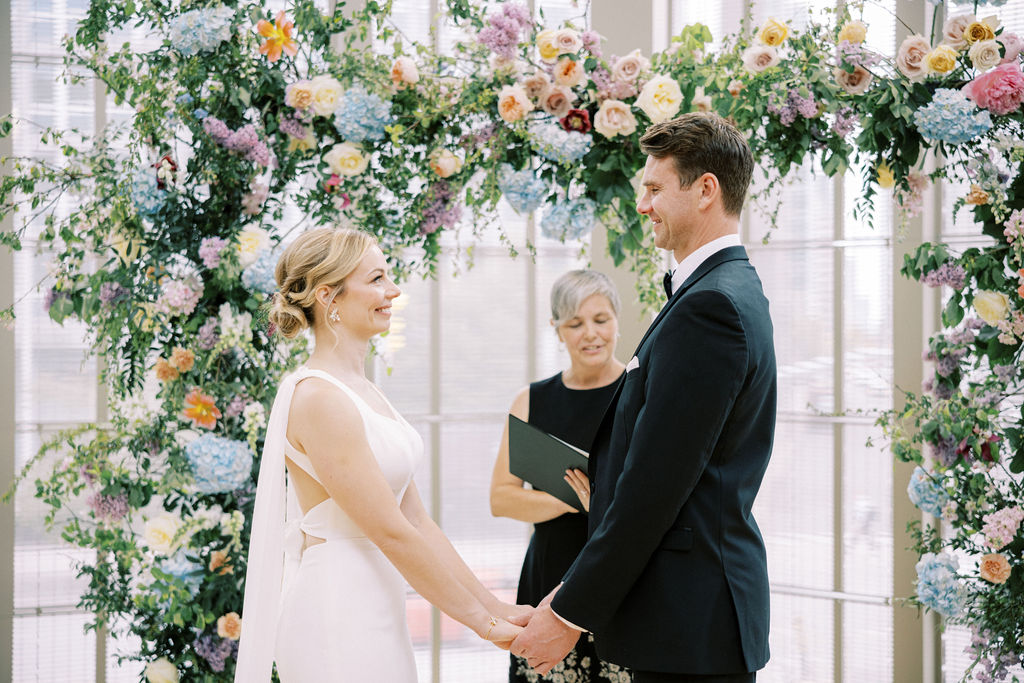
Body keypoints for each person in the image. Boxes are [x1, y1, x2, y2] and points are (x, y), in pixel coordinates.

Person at [510, 112, 776, 683]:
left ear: (706, 190)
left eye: (655, 189)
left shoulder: (711, 309)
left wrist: (566, 613)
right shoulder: (723, 291)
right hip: (685, 621)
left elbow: (653, 489)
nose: (642, 204)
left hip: (687, 627)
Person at [234, 227, 526, 682]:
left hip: (376, 599)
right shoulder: (319, 398)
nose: (392, 291)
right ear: (329, 296)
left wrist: (496, 606)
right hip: (337, 608)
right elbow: (391, 531)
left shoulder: (366, 392)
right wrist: (483, 626)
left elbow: (416, 522)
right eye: (376, 279)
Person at [490, 269, 632, 683]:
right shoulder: (530, 401)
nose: (590, 334)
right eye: (575, 323)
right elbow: (501, 498)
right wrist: (572, 497)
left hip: (616, 580)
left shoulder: (639, 396)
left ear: (617, 321)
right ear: (557, 330)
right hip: (547, 575)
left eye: (601, 320)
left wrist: (600, 502)